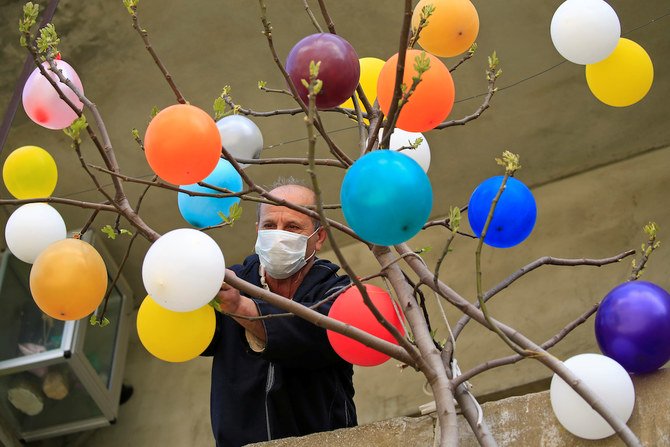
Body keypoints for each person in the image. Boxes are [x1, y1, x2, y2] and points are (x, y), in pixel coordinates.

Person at [202, 179, 357, 447]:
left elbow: (313, 335)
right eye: (270, 226)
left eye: (293, 227)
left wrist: (240, 308)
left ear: (318, 237)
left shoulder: (338, 291)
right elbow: (198, 336)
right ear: (257, 231)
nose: (279, 234)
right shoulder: (230, 281)